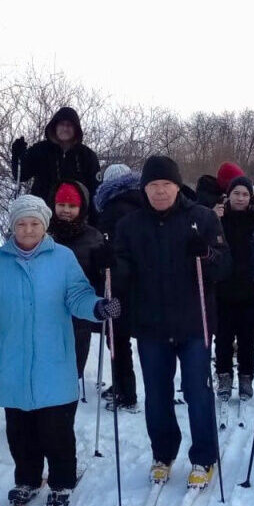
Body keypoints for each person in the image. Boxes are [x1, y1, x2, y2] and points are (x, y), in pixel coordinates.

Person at [0, 195, 121, 506]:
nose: (28, 229)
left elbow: (78, 297)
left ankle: (62, 481)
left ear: (44, 225)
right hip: (14, 362)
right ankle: (26, 479)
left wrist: (98, 307)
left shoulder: (63, 258)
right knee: (20, 432)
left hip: (54, 361)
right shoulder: (0, 261)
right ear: (12, 227)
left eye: (34, 223)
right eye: (21, 223)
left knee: (56, 431)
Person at [112, 155, 231, 489]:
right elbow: (122, 274)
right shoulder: (130, 225)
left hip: (194, 323)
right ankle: (163, 452)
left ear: (177, 186)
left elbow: (225, 267)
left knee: (197, 390)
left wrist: (206, 254)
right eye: (153, 185)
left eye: (166, 185)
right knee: (157, 395)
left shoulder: (202, 218)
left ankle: (204, 456)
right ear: (144, 188)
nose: (160, 192)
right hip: (151, 325)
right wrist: (109, 265)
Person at [213, 173, 254, 402]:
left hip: (250, 286)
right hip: (223, 286)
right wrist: (211, 216)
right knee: (224, 337)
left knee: (247, 337)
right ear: (229, 195)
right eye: (236, 193)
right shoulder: (219, 216)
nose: (240, 198)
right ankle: (224, 376)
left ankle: (246, 376)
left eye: (245, 194)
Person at [93, 163, 143, 412]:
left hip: (119, 280)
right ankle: (125, 387)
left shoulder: (112, 208)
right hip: (142, 280)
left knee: (117, 337)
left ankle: (126, 391)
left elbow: (106, 246)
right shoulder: (143, 202)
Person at [47, 180, 105, 389]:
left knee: (72, 369)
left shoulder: (93, 237)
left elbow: (101, 280)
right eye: (61, 205)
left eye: (72, 206)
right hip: (46, 312)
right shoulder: (42, 232)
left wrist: (105, 268)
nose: (66, 211)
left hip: (78, 315)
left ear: (81, 208)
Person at [10, 106, 101, 205]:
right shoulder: (40, 149)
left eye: (69, 125)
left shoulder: (87, 155)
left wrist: (95, 218)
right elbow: (21, 175)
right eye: (62, 124)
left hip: (77, 215)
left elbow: (96, 191)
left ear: (76, 129)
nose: (65, 128)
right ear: (55, 126)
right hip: (42, 214)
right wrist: (17, 155)